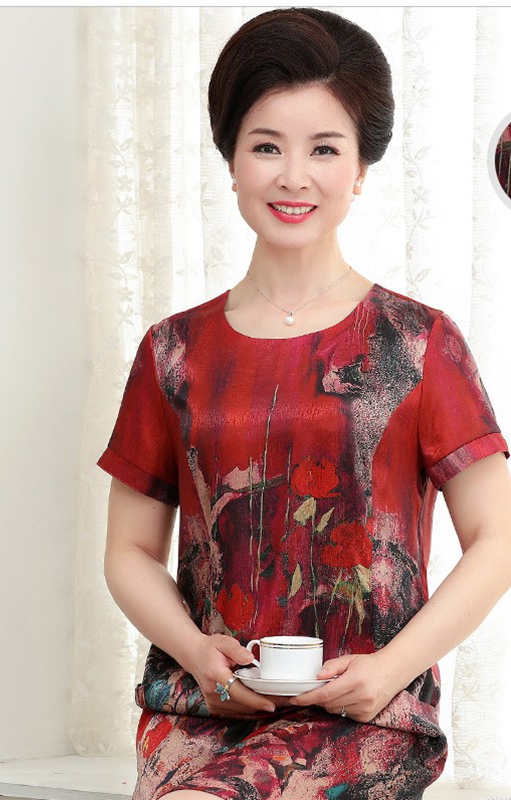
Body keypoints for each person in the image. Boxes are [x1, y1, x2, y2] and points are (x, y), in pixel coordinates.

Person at [98, 8, 511, 800]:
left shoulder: (418, 342)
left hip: (367, 717)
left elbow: (497, 539)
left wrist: (389, 671)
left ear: (360, 170)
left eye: (324, 149)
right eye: (266, 147)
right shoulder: (172, 351)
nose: (294, 176)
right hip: (205, 707)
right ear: (230, 161)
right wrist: (197, 654)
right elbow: (128, 552)